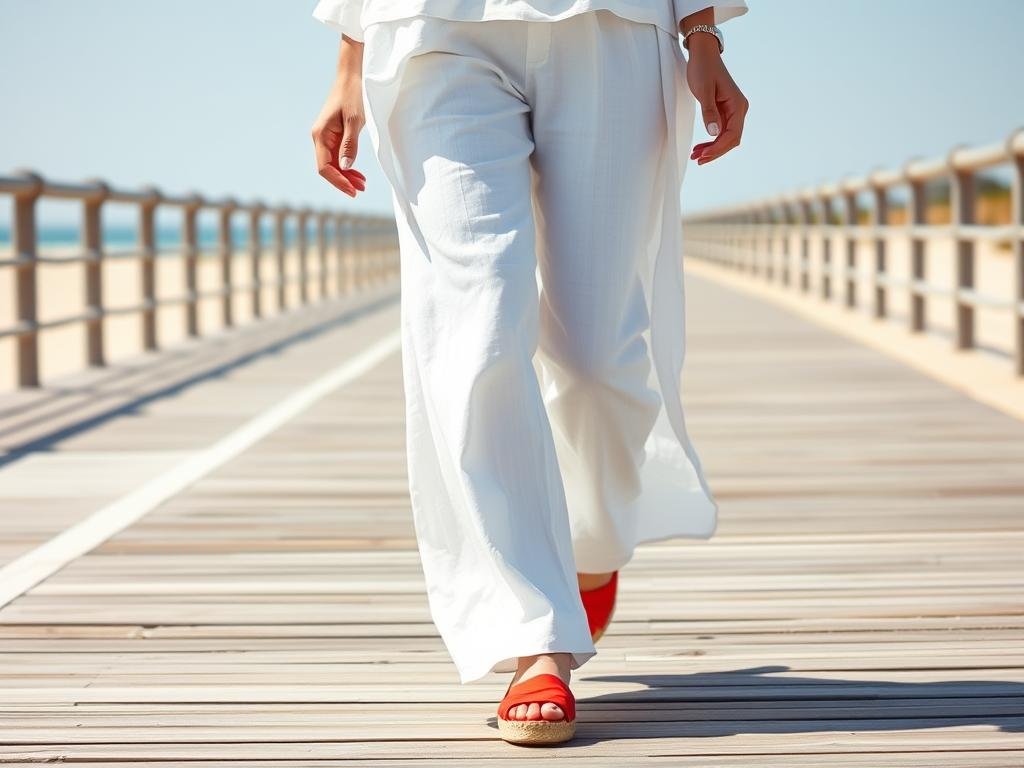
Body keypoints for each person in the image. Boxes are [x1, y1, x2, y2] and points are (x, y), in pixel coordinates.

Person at [311, 0, 748, 745]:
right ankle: (535, 632)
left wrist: (701, 30)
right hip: (435, 35)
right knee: (475, 329)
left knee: (596, 361)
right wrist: (351, 55)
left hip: (611, 28)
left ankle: (590, 544)